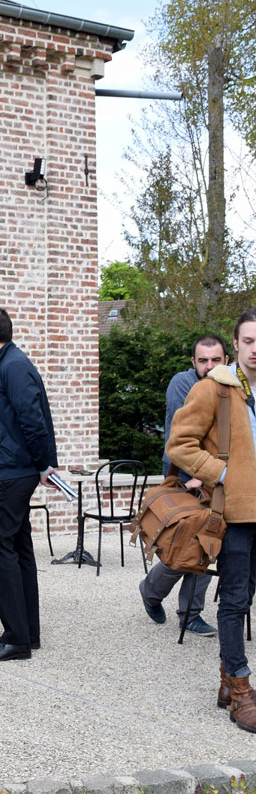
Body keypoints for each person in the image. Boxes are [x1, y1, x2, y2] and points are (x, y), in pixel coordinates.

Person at [167, 308, 256, 733]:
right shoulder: (215, 390)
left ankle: (227, 683)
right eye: (250, 341)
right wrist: (222, 474)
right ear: (235, 345)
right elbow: (180, 445)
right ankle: (240, 688)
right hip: (236, 513)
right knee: (235, 601)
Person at [0, 306, 58, 662]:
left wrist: (43, 465)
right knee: (18, 550)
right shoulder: (7, 365)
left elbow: (33, 420)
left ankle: (18, 640)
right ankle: (23, 631)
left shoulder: (13, 366)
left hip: (10, 473)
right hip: (13, 470)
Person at [139, 334, 228, 636]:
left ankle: (189, 613)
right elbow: (184, 436)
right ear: (193, 362)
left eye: (216, 359)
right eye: (203, 360)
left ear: (225, 360)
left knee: (206, 544)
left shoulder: (230, 387)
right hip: (186, 478)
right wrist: (197, 476)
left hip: (216, 478)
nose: (209, 365)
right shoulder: (183, 383)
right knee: (187, 544)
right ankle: (152, 591)